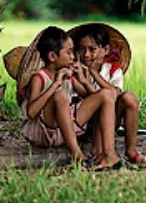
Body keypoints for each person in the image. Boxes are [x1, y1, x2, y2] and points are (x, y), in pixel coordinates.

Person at [19, 26, 121, 169]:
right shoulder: (39, 78)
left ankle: (109, 154)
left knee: (106, 94)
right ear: (53, 57)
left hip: (65, 129)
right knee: (59, 96)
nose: (73, 57)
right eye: (69, 52)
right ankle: (77, 155)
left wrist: (83, 80)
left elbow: (93, 99)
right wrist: (55, 85)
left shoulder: (68, 75)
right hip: (43, 132)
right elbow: (31, 112)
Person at [73, 25, 146, 167]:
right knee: (103, 100)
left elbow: (114, 94)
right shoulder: (75, 69)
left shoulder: (112, 70)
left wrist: (94, 73)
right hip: (84, 124)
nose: (86, 54)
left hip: (108, 122)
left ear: (105, 50)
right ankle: (99, 151)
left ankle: (131, 151)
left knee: (129, 97)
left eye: (92, 49)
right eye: (82, 49)